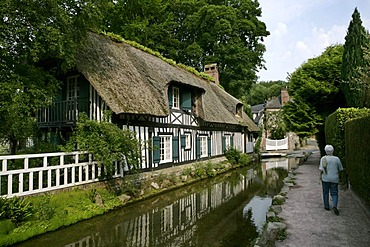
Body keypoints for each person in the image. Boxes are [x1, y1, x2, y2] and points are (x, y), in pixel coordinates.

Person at [319, 144, 343, 215]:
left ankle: (326, 206)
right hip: (334, 178)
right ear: (333, 151)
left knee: (325, 192)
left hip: (325, 178)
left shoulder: (323, 159)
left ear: (325, 151)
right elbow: (340, 168)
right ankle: (335, 206)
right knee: (334, 193)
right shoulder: (337, 159)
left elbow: (321, 169)